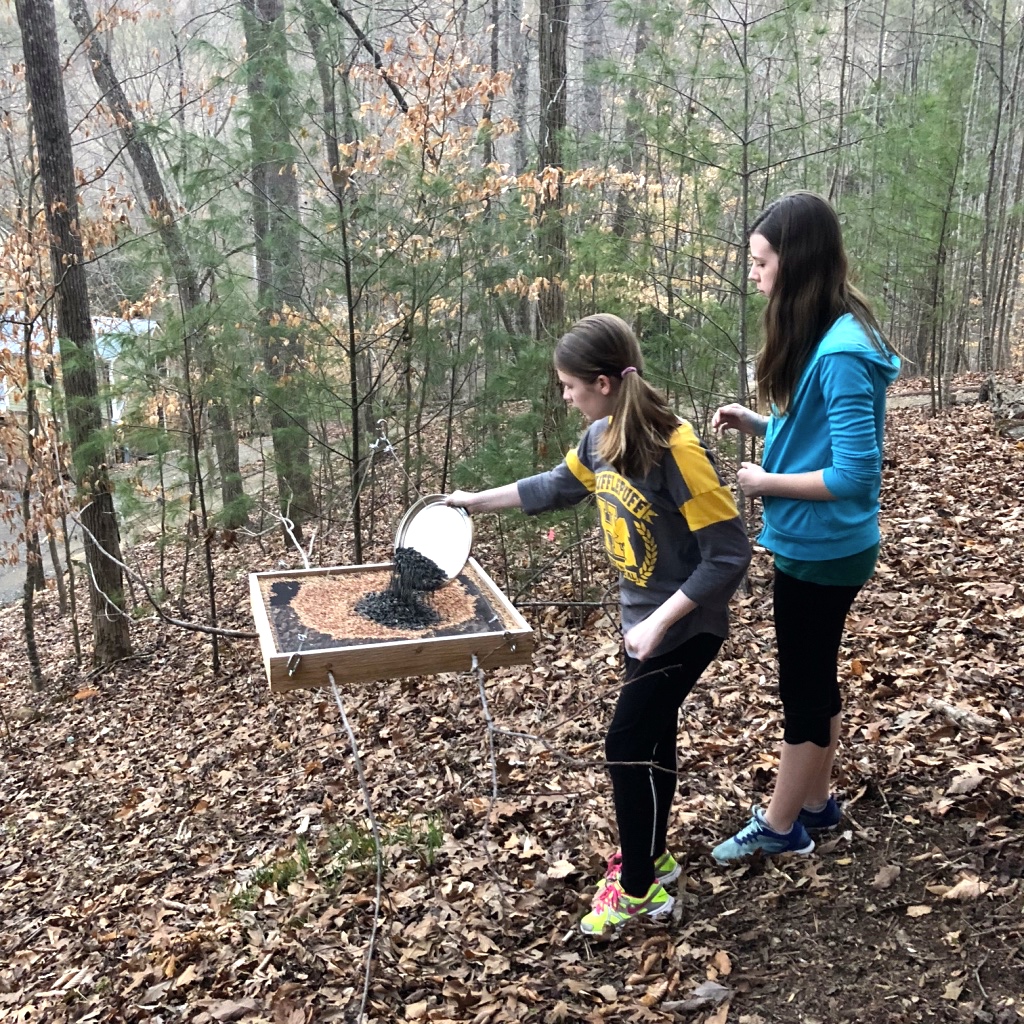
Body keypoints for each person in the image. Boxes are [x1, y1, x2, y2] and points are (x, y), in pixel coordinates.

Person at [447, 313, 750, 935]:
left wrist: (658, 623)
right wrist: (476, 502)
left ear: (605, 382)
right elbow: (556, 487)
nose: (564, 396)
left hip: (685, 626)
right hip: (646, 622)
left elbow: (730, 554)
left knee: (624, 745)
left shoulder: (679, 452)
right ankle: (653, 857)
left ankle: (638, 891)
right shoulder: (600, 439)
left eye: (569, 385)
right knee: (652, 737)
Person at [710, 191, 900, 864]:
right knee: (818, 679)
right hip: (818, 543)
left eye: (761, 262)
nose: (754, 275)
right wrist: (759, 424)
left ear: (796, 262)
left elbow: (853, 474)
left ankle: (781, 824)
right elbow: (816, 429)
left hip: (823, 548)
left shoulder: (844, 350)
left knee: (802, 690)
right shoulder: (831, 334)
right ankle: (817, 805)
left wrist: (765, 482)